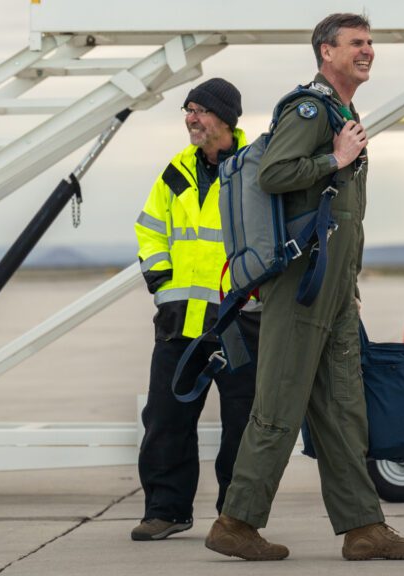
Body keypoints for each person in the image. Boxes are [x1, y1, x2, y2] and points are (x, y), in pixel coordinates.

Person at [204, 13, 404, 562]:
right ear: (326, 52)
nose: (368, 50)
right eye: (356, 43)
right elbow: (274, 174)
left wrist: (348, 284)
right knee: (281, 399)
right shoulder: (309, 109)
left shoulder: (342, 110)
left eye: (370, 42)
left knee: (342, 407)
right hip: (301, 284)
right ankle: (236, 521)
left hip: (332, 286)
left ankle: (363, 527)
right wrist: (337, 157)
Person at [131, 78, 259, 541]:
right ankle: (166, 510)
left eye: (200, 110)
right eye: (188, 109)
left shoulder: (255, 168)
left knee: (242, 424)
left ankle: (236, 517)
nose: (191, 118)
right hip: (178, 322)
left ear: (225, 119)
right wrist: (162, 282)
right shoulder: (175, 172)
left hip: (238, 323)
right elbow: (149, 229)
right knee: (165, 418)